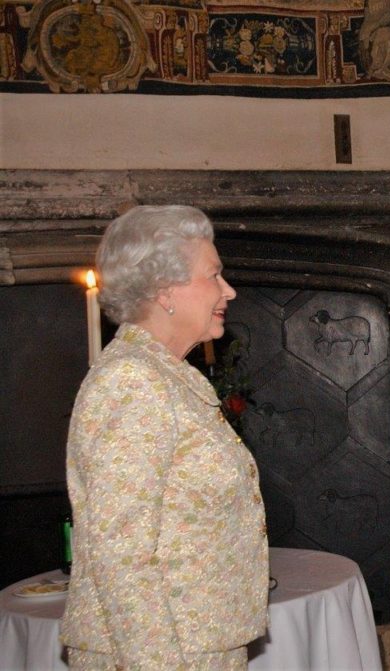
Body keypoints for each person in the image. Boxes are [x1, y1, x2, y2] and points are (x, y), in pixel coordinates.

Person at [60, 205, 269, 670]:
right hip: (159, 654)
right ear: (165, 290)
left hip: (195, 645)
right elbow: (121, 556)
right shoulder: (132, 382)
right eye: (214, 275)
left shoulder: (168, 375)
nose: (228, 290)